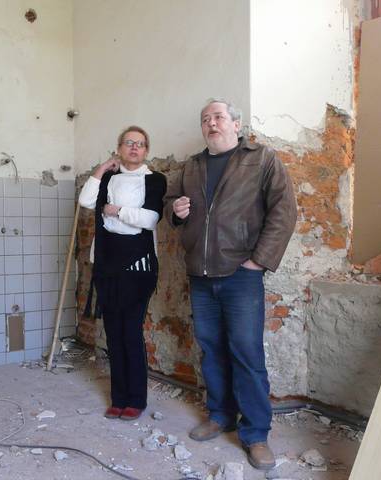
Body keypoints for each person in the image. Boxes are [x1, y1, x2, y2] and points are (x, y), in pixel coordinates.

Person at [164, 99, 297, 470]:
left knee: (247, 354)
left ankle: (255, 434)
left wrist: (259, 261)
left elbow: (284, 211)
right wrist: (175, 211)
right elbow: (171, 202)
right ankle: (220, 415)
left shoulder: (261, 159)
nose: (211, 123)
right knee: (211, 349)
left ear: (236, 124)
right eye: (205, 119)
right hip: (200, 274)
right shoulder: (192, 166)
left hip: (241, 274)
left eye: (219, 117)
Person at [79, 126, 167, 421]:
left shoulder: (154, 180)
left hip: (138, 266)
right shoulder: (108, 178)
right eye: (128, 143)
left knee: (130, 331)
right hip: (106, 265)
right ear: (119, 148)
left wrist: (116, 211)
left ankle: (136, 399)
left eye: (140, 144)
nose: (134, 147)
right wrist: (102, 168)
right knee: (113, 333)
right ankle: (118, 398)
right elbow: (86, 201)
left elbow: (149, 219)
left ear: (146, 151)